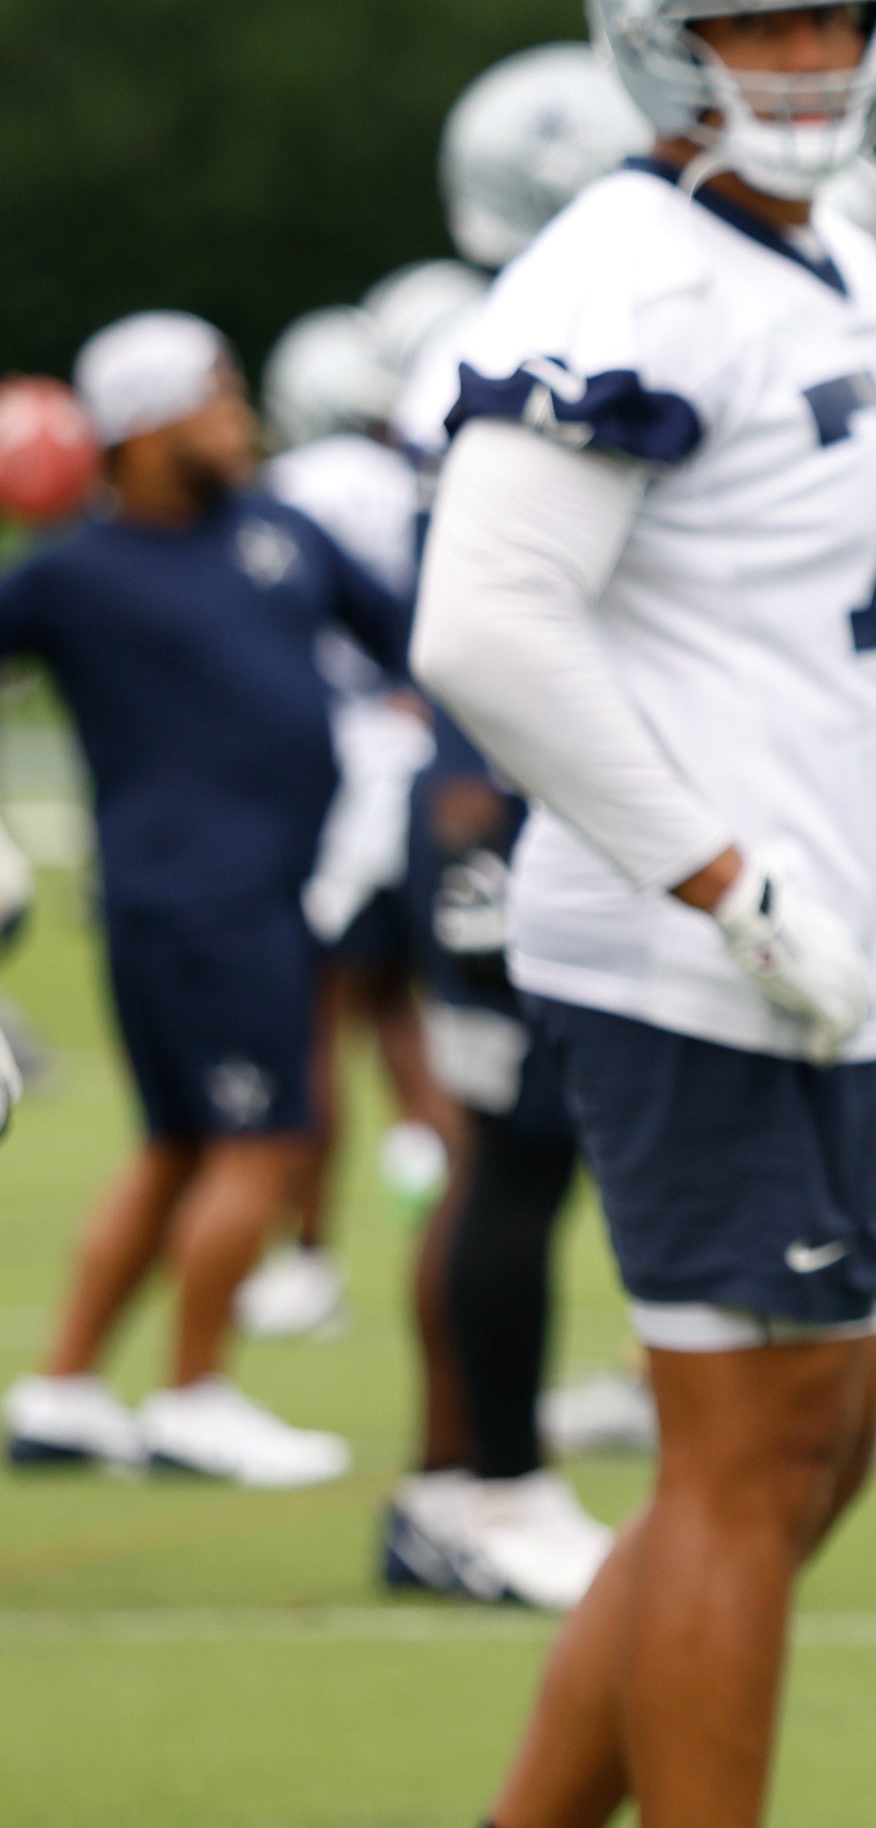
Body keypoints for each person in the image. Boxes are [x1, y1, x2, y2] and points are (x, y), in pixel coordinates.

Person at [411, 0, 876, 1827]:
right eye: (758, 27)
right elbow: (485, 623)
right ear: (655, 35)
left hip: (845, 940)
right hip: (721, 956)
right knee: (745, 1473)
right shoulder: (624, 266)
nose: (809, 61)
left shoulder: (845, 242)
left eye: (835, 16)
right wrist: (726, 879)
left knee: (810, 1451)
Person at [1, 313, 407, 1485]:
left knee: (178, 1146)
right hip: (194, 902)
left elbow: (411, 638)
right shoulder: (71, 571)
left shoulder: (285, 531)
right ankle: (193, 1397)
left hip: (260, 890)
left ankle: (65, 1386)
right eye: (213, 400)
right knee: (263, 1143)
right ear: (142, 425)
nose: (237, 421)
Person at [377, 45, 652, 1611]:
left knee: (532, 1148)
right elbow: (486, 611)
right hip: (500, 788)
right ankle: (482, 1485)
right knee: (515, 1152)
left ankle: (468, 1477)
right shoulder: (505, 344)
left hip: (546, 780)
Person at [233, 303, 460, 1351]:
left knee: (316, 1021)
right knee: (411, 1026)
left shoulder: (300, 488)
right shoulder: (426, 468)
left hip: (347, 785)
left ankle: (307, 1255)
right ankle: (448, 1230)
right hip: (434, 766)